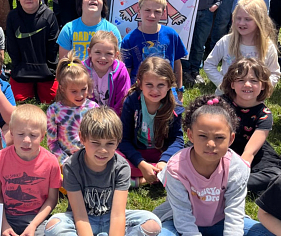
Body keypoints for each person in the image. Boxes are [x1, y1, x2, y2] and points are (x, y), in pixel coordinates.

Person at [154, 95, 273, 235]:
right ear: (190, 135)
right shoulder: (176, 167)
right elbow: (182, 215)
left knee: (266, 232)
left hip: (220, 221)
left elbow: (234, 213)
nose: (211, 144)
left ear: (231, 139)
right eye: (203, 136)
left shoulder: (237, 167)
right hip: (178, 223)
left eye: (219, 137)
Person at [45, 107, 163, 236]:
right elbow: (80, 216)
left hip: (111, 218)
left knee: (152, 223)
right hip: (81, 219)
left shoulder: (121, 167)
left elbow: (118, 215)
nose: (103, 150)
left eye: (110, 143)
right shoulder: (71, 166)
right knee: (53, 224)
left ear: (118, 142)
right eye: (95, 143)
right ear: (82, 138)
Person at [0, 105, 61, 236]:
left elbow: (52, 199)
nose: (26, 140)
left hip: (38, 219)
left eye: (33, 135)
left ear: (42, 136)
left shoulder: (51, 162)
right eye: (21, 134)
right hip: (6, 216)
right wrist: (4, 225)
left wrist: (33, 225)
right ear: (12, 133)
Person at [118, 57, 184, 188]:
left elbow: (177, 140)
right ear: (140, 84)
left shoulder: (174, 106)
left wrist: (164, 162)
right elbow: (123, 140)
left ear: (169, 85)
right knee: (113, 159)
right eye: (149, 85)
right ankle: (151, 178)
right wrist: (141, 163)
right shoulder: (131, 102)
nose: (155, 91)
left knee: (186, 161)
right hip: (136, 153)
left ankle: (149, 176)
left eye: (161, 85)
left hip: (161, 154)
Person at [221, 57, 281, 193]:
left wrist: (238, 172)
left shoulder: (264, 114)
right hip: (223, 147)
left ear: (263, 85)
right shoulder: (220, 105)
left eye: (254, 81)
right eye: (241, 80)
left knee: (275, 175)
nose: (247, 85)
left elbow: (250, 152)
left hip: (253, 152)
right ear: (232, 84)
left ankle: (227, 184)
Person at [205, 0, 281, 94]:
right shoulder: (226, 41)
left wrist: (261, 88)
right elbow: (209, 64)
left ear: (259, 21)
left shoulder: (268, 46)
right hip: (226, 97)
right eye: (238, 18)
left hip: (253, 100)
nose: (241, 23)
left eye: (247, 19)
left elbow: (275, 72)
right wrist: (224, 84)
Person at [121, 0, 188, 101]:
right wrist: (127, 94)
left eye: (157, 11)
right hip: (139, 91)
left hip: (166, 89)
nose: (152, 15)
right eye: (147, 10)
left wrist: (180, 89)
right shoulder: (129, 40)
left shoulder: (171, 35)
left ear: (163, 12)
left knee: (173, 116)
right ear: (139, 10)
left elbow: (177, 63)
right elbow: (126, 71)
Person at [6, 0, 59, 104]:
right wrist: (17, 66)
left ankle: (39, 86)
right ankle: (31, 86)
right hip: (21, 70)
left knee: (51, 99)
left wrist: (50, 70)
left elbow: (53, 46)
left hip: (46, 71)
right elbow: (12, 46)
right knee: (18, 99)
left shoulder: (49, 16)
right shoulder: (12, 16)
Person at [46, 52, 98, 166]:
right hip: (65, 161)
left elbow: (99, 137)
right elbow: (52, 143)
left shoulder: (93, 108)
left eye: (83, 89)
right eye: (74, 91)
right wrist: (66, 162)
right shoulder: (54, 111)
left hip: (91, 159)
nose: (80, 95)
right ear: (62, 89)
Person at [57, 0, 122, 61]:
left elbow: (116, 63)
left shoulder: (112, 30)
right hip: (75, 72)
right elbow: (63, 64)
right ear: (80, 4)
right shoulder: (68, 29)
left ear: (103, 5)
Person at [83, 31, 130, 115]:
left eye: (109, 53)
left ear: (116, 55)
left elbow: (122, 101)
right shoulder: (82, 70)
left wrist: (112, 121)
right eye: (98, 52)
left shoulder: (120, 71)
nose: (103, 58)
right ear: (89, 52)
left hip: (112, 119)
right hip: (86, 117)